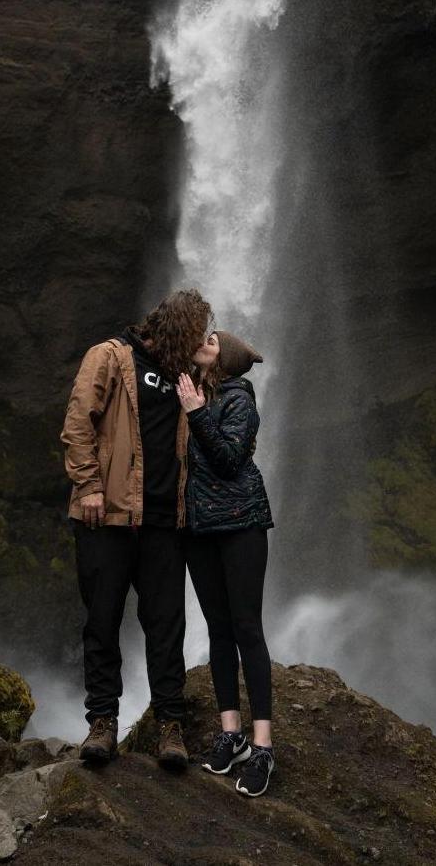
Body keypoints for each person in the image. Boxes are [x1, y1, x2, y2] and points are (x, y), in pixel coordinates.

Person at [60, 288, 214, 770]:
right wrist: (88, 485)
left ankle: (170, 725)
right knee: (102, 621)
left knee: (168, 625)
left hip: (166, 523)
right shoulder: (110, 356)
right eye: (196, 334)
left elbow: (239, 358)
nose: (202, 343)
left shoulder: (189, 376)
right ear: (175, 330)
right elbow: (78, 423)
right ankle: (102, 723)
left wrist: (211, 352)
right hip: (105, 517)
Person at [176, 330, 276, 797]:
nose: (203, 340)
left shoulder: (240, 399)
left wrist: (196, 413)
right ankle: (230, 731)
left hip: (241, 524)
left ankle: (262, 746)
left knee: (246, 627)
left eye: (212, 339)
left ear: (226, 358)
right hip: (199, 529)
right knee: (218, 628)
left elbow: (230, 459)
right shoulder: (189, 388)